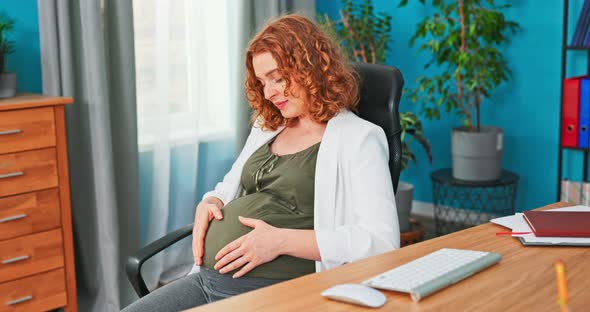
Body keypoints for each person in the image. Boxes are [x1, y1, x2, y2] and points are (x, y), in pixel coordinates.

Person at [122, 14, 399, 312]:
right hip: (207, 281)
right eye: (262, 82)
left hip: (274, 291)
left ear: (311, 69)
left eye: (277, 78)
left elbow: (381, 241)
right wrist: (212, 200)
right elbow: (232, 181)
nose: (268, 93)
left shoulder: (359, 138)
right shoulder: (269, 124)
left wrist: (281, 242)